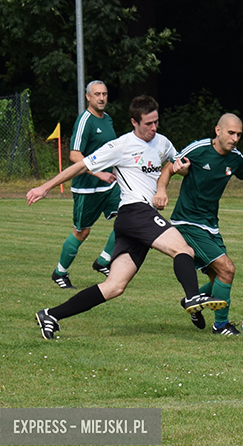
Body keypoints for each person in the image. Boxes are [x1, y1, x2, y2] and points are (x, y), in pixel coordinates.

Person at [27, 95, 226, 340]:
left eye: (156, 122)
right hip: (134, 212)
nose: (153, 128)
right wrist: (44, 187)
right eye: (148, 124)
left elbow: (176, 163)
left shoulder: (162, 142)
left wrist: (180, 169)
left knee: (114, 287)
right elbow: (81, 166)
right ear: (134, 122)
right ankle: (192, 297)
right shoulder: (121, 145)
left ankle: (50, 314)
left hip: (134, 221)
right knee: (183, 249)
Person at [153, 113, 243, 336]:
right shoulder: (199, 149)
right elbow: (169, 168)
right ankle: (220, 325)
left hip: (211, 225)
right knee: (227, 269)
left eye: (239, 134)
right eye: (231, 133)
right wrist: (161, 190)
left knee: (218, 279)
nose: (235, 138)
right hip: (188, 222)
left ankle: (191, 302)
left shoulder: (235, 158)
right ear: (218, 131)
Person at [50, 80, 120, 289]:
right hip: (87, 187)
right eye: (97, 94)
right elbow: (74, 155)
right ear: (88, 97)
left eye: (104, 94)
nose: (101, 98)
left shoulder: (107, 120)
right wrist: (99, 174)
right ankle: (59, 272)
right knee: (82, 232)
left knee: (128, 218)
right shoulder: (85, 120)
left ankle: (104, 261)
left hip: (109, 185)